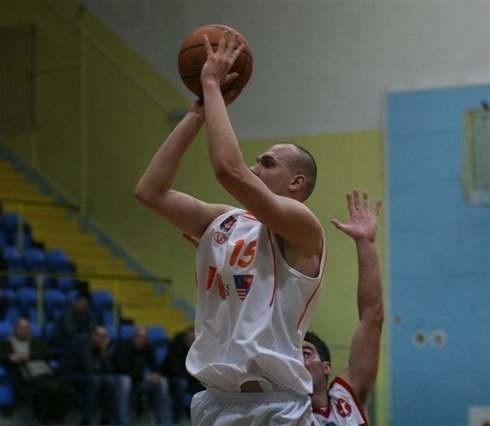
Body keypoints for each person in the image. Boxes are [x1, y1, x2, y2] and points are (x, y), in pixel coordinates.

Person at [135, 31, 326, 425]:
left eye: (268, 163)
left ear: (297, 184)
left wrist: (212, 85)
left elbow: (228, 169)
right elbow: (150, 192)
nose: (256, 168)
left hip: (275, 405)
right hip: (214, 403)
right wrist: (198, 112)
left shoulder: (304, 227)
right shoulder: (226, 221)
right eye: (256, 162)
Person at [302, 190, 383, 425]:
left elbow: (372, 318)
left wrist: (365, 243)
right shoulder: (278, 411)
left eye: (305, 353)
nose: (296, 361)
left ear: (326, 367)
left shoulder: (346, 398)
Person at [0, 318, 74, 423]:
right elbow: (2, 355)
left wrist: (28, 356)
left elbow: (47, 352)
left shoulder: (36, 342)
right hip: (29, 375)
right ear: (15, 329)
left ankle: (56, 417)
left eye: (26, 328)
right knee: (50, 389)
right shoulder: (7, 343)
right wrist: (10, 357)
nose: (23, 330)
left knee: (68, 390)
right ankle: (44, 418)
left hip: (46, 372)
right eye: (21, 328)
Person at [58, 325, 117, 425]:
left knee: (110, 381)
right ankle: (86, 421)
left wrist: (103, 351)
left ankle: (106, 420)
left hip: (86, 376)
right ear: (93, 335)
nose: (103, 339)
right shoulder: (84, 342)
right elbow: (88, 368)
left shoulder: (99, 346)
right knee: (94, 380)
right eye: (100, 336)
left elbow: (109, 370)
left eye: (104, 336)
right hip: (70, 374)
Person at [113, 326, 171, 425]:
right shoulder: (124, 346)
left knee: (162, 381)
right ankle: (123, 421)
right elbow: (122, 368)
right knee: (125, 380)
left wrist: (156, 374)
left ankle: (164, 422)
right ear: (133, 336)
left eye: (144, 337)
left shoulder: (148, 347)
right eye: (138, 336)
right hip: (122, 382)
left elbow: (154, 366)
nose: (140, 339)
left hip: (139, 382)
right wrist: (144, 376)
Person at [161, 326, 204, 423]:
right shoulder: (175, 347)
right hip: (175, 378)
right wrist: (193, 376)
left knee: (208, 384)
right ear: (185, 337)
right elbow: (175, 369)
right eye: (190, 337)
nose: (192, 340)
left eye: (194, 338)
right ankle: (177, 417)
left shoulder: (198, 349)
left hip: (192, 378)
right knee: (181, 384)